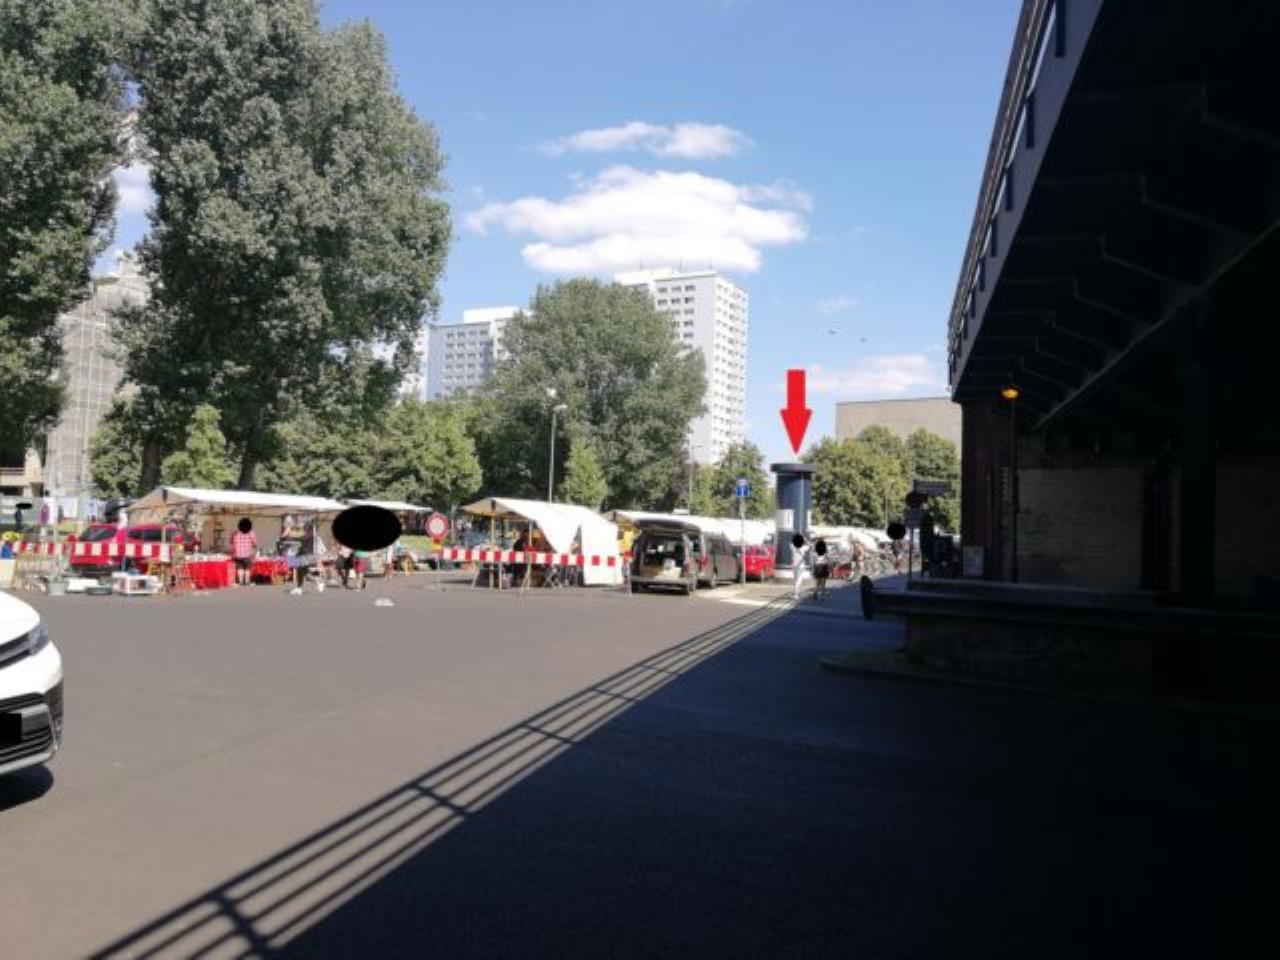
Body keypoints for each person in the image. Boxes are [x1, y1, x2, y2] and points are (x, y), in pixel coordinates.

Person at [230, 517, 257, 586]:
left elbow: (231, 542)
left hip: (237, 554)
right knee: (247, 568)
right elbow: (254, 544)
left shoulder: (234, 533)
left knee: (239, 568)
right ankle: (247, 582)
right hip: (248, 554)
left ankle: (240, 582)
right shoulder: (251, 533)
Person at [790, 532, 810, 600]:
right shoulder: (804, 548)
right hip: (801, 565)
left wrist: (796, 538)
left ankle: (795, 593)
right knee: (799, 579)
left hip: (794, 565)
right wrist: (804, 539)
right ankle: (796, 593)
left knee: (795, 579)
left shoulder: (792, 547)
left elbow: (792, 542)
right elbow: (810, 545)